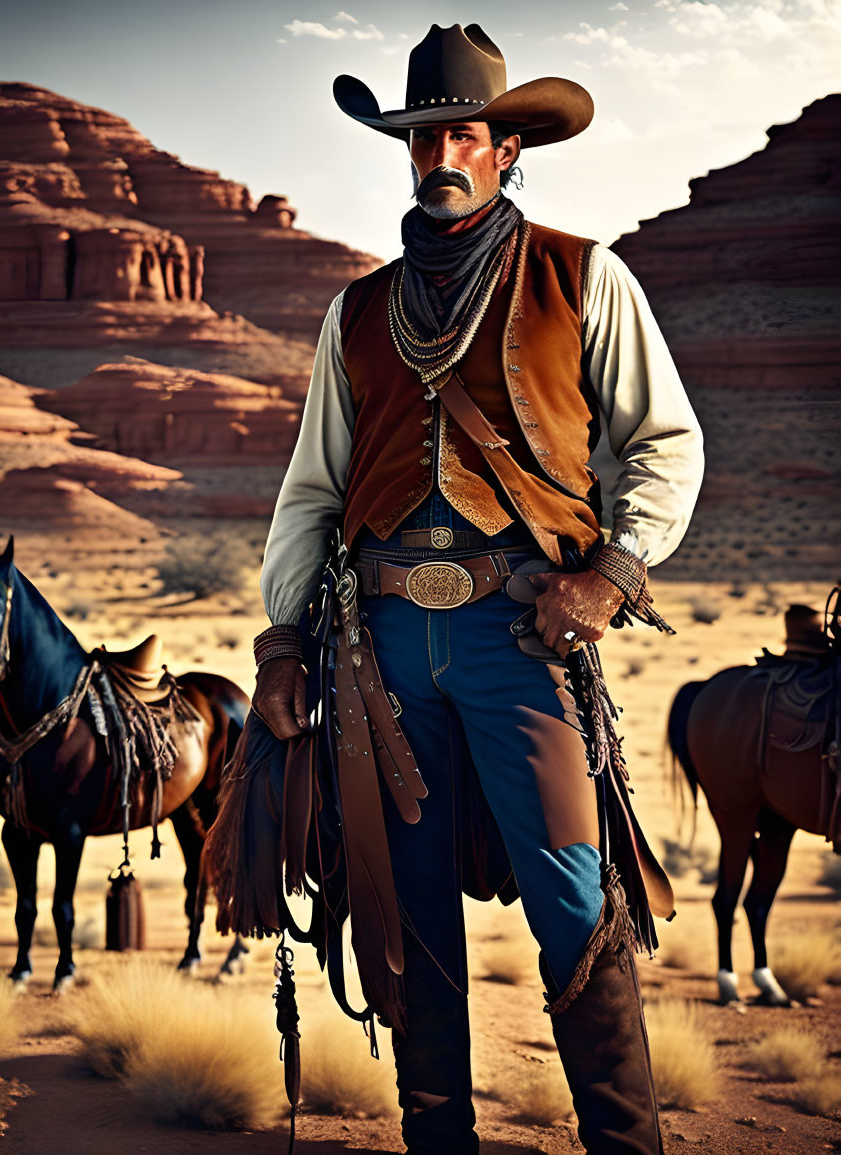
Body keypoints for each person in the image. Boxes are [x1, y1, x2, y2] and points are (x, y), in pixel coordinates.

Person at [246, 23, 704, 1155]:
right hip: (383, 650)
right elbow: (313, 488)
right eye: (421, 136)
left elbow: (665, 442)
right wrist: (282, 643)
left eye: (462, 131)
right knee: (406, 916)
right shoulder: (356, 312)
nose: (440, 151)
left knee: (570, 898)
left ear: (505, 148)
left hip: (521, 635)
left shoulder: (581, 274)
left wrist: (611, 571)